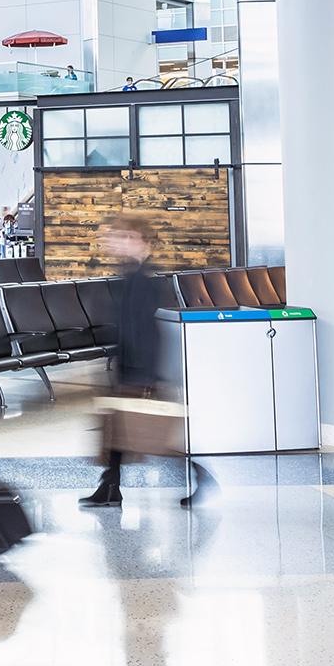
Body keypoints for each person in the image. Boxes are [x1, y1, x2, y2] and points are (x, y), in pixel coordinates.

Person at [82, 215, 206, 508]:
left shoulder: (145, 280)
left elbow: (145, 331)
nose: (118, 243)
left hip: (139, 370)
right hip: (129, 366)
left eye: (126, 237)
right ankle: (110, 487)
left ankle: (201, 476)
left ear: (142, 241)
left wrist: (142, 374)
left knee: (152, 436)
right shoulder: (131, 276)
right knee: (117, 431)